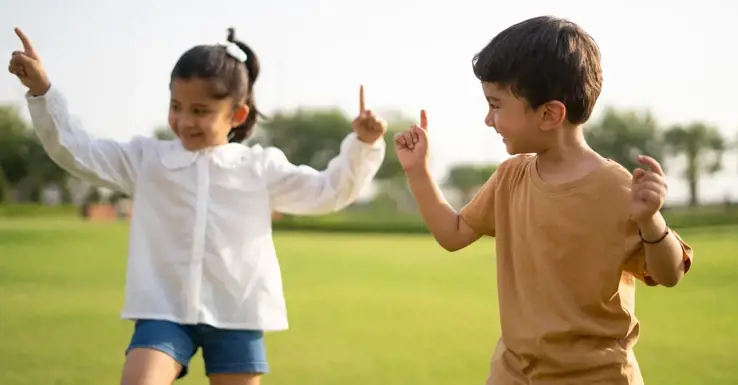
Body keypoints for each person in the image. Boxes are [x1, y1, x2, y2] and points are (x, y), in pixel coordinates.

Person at [8, 27, 387, 385]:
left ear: (236, 115)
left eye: (200, 111)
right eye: (176, 106)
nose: (184, 120)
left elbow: (327, 191)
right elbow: (78, 151)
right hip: (163, 311)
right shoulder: (147, 160)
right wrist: (43, 93)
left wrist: (363, 146)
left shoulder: (259, 167)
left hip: (237, 314)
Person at [394, 16, 693, 385]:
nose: (489, 120)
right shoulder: (510, 178)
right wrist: (418, 172)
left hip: (596, 376)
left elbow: (670, 272)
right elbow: (453, 234)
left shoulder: (617, 188)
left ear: (550, 114)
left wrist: (651, 221)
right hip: (513, 372)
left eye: (496, 105)